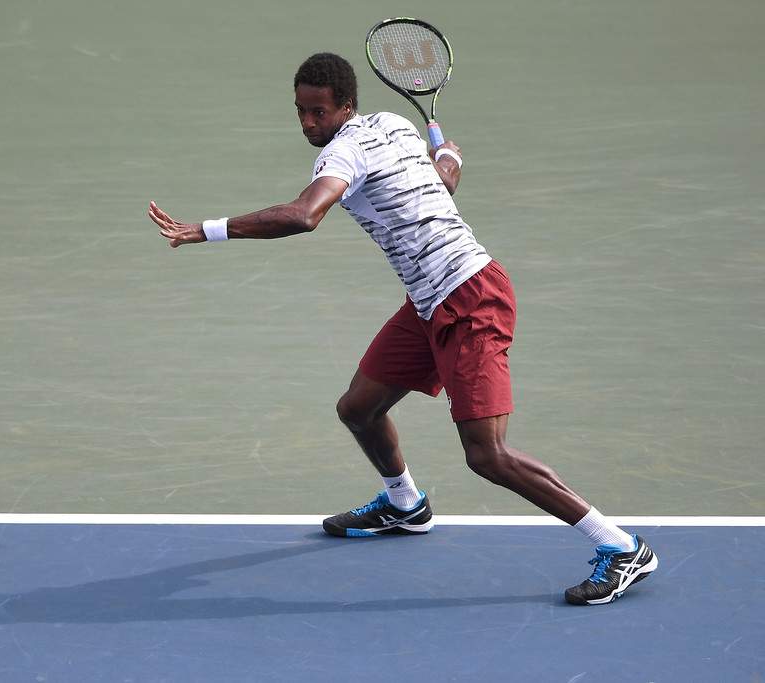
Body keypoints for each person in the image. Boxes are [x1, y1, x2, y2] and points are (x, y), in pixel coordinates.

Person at [147, 52, 657, 605]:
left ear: (346, 106)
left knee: (487, 455)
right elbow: (442, 183)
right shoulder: (396, 125)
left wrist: (206, 230)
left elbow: (304, 215)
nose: (308, 123)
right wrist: (449, 154)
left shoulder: (342, 153)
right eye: (300, 111)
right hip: (427, 301)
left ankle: (620, 546)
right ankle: (405, 504)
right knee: (358, 409)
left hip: (470, 299)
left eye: (319, 112)